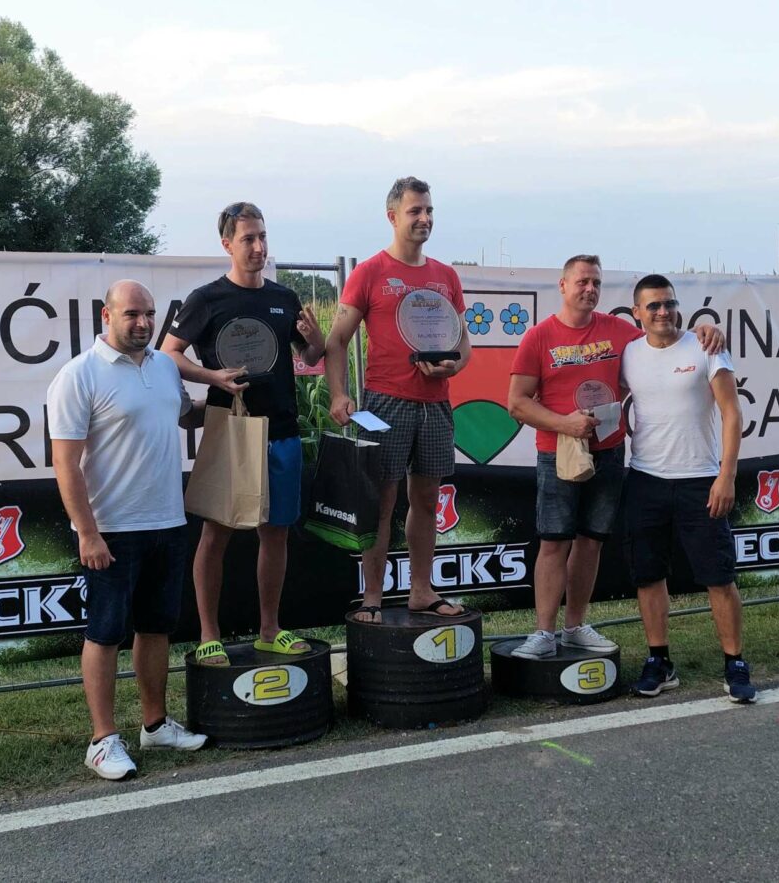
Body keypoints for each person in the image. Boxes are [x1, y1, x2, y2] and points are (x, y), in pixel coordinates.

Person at [507, 257, 724, 659]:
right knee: (554, 543)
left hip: (608, 452)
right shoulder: (538, 337)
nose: (590, 289)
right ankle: (543, 633)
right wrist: (565, 424)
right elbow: (517, 403)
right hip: (558, 454)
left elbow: (664, 337)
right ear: (563, 285)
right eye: (582, 282)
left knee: (590, 543)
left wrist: (705, 330)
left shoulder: (619, 331)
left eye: (596, 282)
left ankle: (574, 627)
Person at [48, 280, 208, 781]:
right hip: (111, 529)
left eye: (150, 314)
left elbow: (184, 415)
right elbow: (65, 464)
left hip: (168, 520)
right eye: (132, 314)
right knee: (105, 633)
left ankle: (155, 725)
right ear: (106, 315)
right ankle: (102, 741)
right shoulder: (78, 375)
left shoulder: (164, 367)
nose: (143, 323)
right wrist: (87, 532)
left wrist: (229, 395)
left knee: (156, 628)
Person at [161, 202, 324, 666]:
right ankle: (208, 635)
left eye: (262, 237)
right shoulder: (206, 298)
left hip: (282, 431)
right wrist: (212, 377)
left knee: (277, 534)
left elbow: (310, 357)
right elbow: (169, 354)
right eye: (248, 239)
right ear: (227, 244)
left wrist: (315, 340)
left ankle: (270, 630)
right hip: (232, 430)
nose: (258, 247)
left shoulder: (284, 297)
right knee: (216, 534)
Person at [325, 176, 471, 623]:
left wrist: (453, 367)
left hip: (435, 403)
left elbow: (464, 344)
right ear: (392, 216)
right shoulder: (370, 272)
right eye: (415, 211)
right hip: (384, 403)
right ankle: (372, 597)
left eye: (429, 210)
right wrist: (339, 394)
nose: (425, 218)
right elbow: (336, 341)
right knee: (382, 503)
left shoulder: (445, 275)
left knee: (427, 500)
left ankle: (421, 591)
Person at [620, 273, 756, 703]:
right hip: (645, 480)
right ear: (637, 313)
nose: (663, 312)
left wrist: (726, 475)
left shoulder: (706, 346)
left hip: (701, 480)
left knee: (719, 577)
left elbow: (732, 414)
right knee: (649, 576)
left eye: (670, 304)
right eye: (654, 306)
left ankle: (735, 664)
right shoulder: (628, 353)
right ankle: (660, 662)